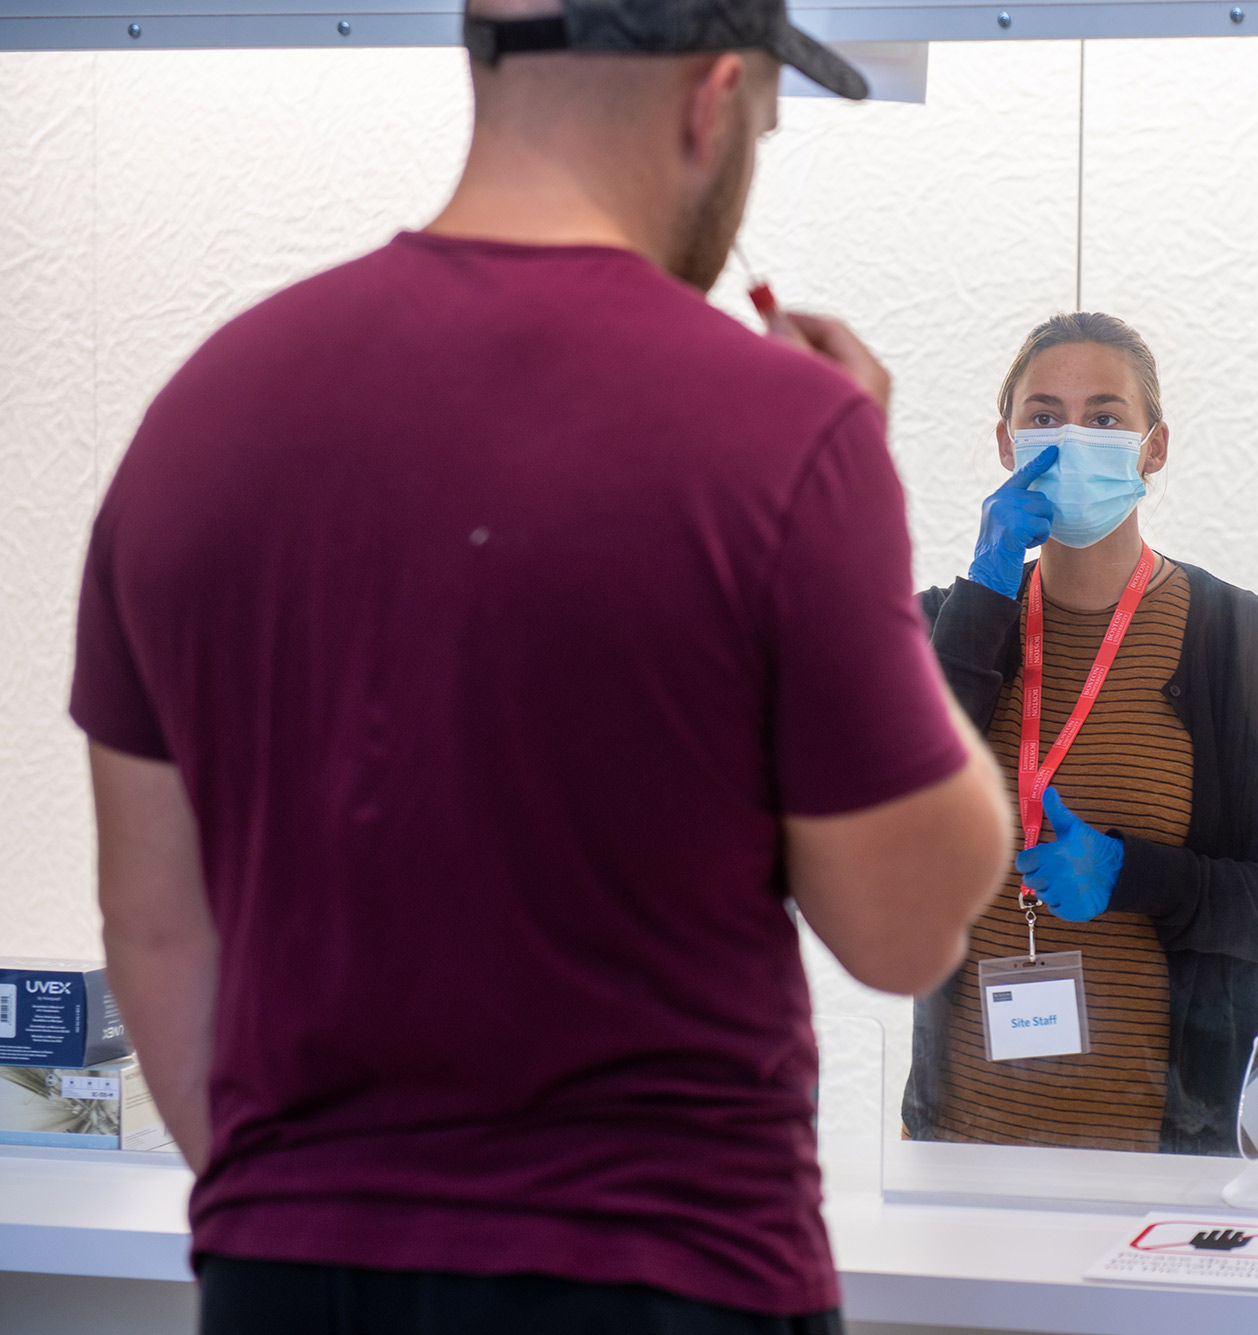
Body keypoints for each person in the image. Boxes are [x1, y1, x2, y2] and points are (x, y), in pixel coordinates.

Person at [71, 1, 1012, 1330]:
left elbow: (158, 924)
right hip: (662, 1277)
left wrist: (282, 1207)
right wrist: (861, 507)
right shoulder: (786, 434)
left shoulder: (199, 414)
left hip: (283, 1274)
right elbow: (907, 927)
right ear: (715, 98)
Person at [900, 313, 1258, 1157]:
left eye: (1104, 417)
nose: (1071, 438)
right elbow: (889, 837)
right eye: (1042, 415)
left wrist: (1132, 875)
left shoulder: (1242, 644)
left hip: (1166, 1163)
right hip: (959, 1149)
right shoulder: (940, 629)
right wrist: (984, 594)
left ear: (1155, 445)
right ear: (1004, 443)